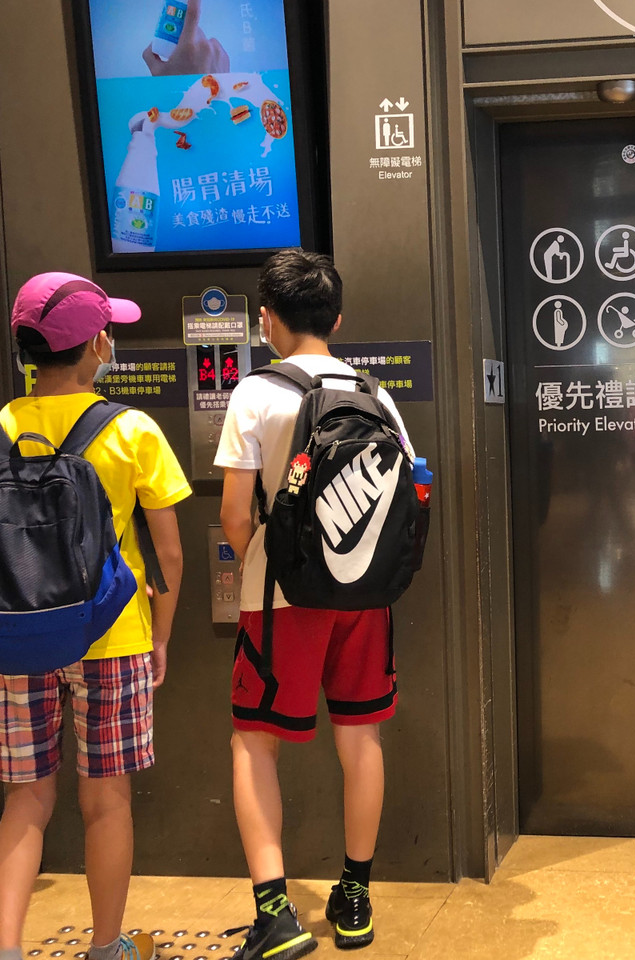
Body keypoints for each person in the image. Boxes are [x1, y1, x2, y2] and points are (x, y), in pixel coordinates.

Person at [216, 250, 415, 959]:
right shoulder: (375, 395)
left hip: (281, 600)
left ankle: (276, 914)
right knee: (361, 739)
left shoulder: (254, 393)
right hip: (367, 595)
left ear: (267, 319)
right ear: (337, 318)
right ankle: (354, 899)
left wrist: (267, 562)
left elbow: (234, 515)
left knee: (254, 741)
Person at [0, 274, 189, 960]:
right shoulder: (132, 429)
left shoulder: (3, 424)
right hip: (113, 635)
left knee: (26, 798)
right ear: (95, 345)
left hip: (18, 639)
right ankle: (107, 947)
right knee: (106, 800)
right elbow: (168, 553)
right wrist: (160, 636)